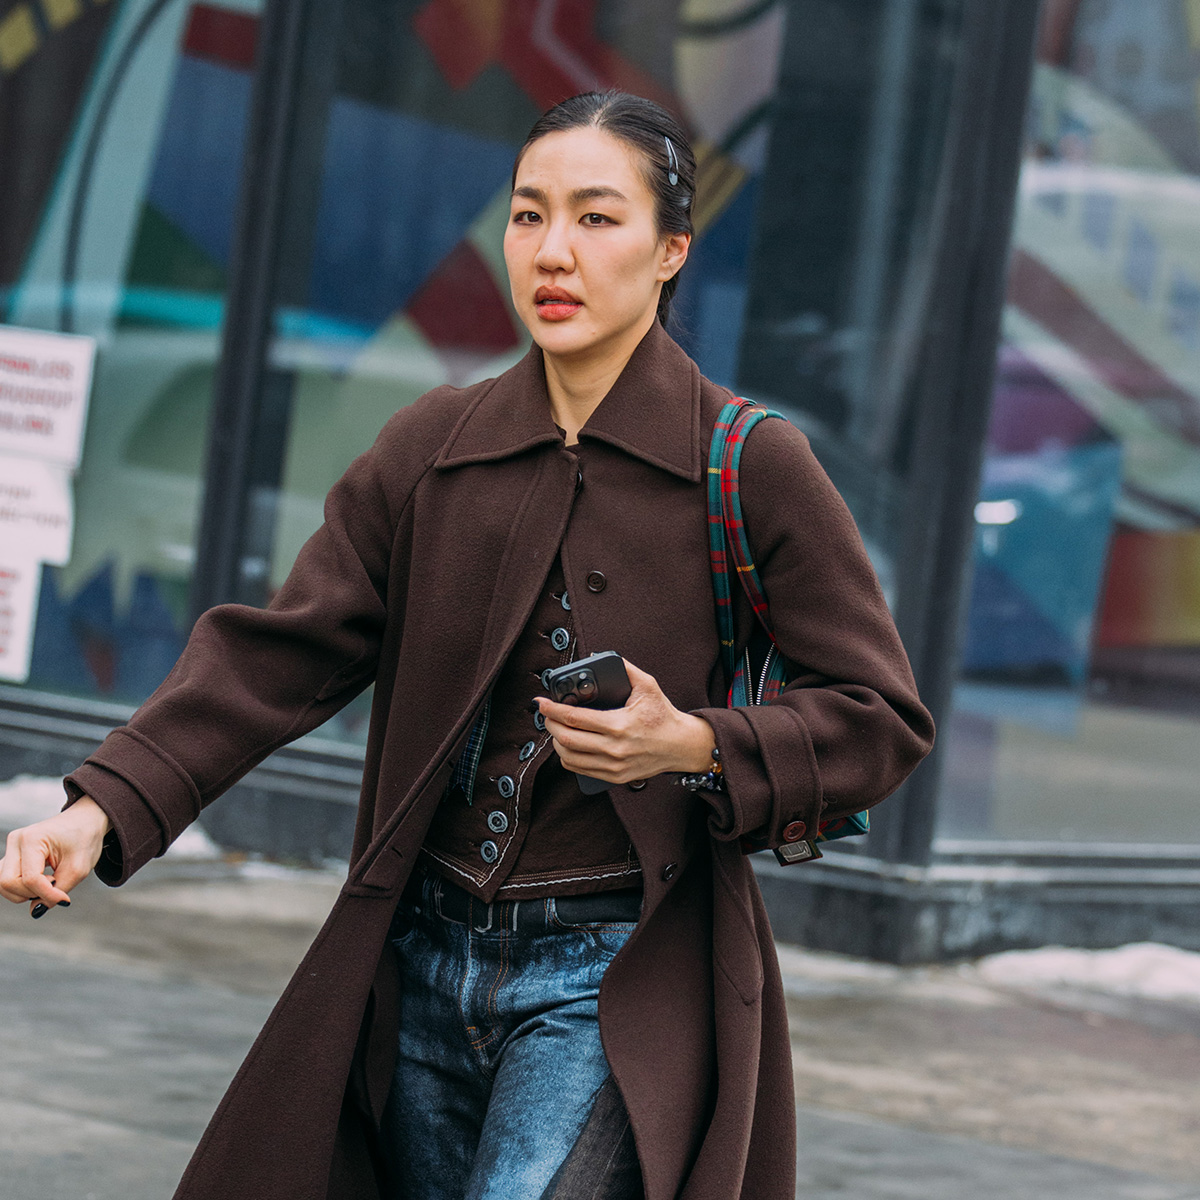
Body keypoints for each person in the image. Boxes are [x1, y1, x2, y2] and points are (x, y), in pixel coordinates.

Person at [0, 91, 934, 1200]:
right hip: (416, 966)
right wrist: (94, 807)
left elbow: (880, 718)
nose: (553, 252)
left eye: (597, 219)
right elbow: (274, 656)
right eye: (528, 216)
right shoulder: (431, 449)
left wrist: (690, 743)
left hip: (611, 982)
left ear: (671, 248)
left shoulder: (752, 464)